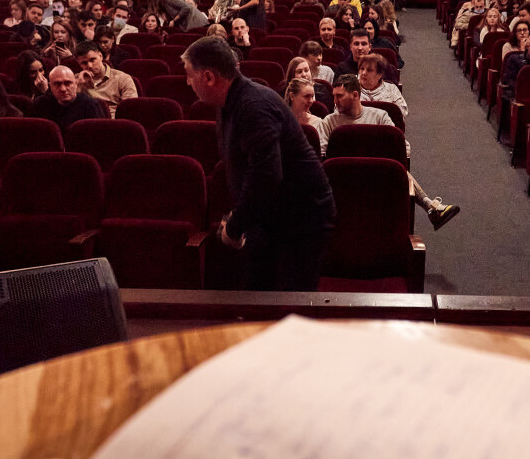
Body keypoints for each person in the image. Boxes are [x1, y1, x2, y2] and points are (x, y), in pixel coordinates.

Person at [182, 35, 335, 289]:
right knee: (257, 295)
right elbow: (246, 171)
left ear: (209, 77)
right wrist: (239, 218)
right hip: (274, 216)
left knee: (285, 308)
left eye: (189, 74)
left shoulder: (253, 105)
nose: (187, 82)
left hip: (302, 220)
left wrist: (235, 226)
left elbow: (266, 175)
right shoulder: (230, 103)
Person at [317, 76, 459, 230]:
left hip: (379, 177)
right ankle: (430, 206)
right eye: (334, 96)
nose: (335, 101)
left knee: (395, 165)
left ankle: (430, 206)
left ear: (355, 95)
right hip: (343, 181)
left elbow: (401, 147)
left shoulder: (379, 115)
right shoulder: (329, 122)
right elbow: (322, 155)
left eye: (339, 96)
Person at [34, 65, 109, 131]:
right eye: (57, 84)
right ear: (50, 86)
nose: (63, 89)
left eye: (68, 83)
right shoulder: (41, 104)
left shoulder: (90, 105)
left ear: (76, 84)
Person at [73, 41, 138, 116]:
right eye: (84, 63)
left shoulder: (123, 79)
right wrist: (79, 87)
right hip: (86, 122)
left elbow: (131, 109)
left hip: (113, 123)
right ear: (78, 63)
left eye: (92, 60)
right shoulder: (74, 80)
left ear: (100, 56)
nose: (90, 66)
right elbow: (71, 110)